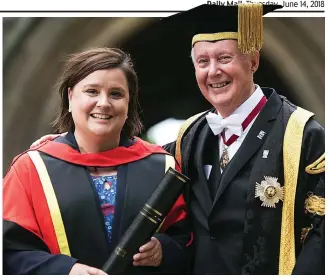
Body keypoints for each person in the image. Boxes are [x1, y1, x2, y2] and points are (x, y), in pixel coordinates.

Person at [29, 3, 325, 275]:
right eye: (202, 61)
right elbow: (129, 157)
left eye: (224, 58)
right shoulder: (191, 136)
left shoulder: (302, 134)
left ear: (253, 61)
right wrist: (65, 145)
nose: (213, 71)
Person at [3, 47, 192, 275]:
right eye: (92, 91)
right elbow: (9, 251)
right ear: (71, 98)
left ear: (129, 102)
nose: (103, 103)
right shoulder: (31, 168)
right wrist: (65, 270)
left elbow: (191, 241)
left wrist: (164, 249)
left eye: (116, 94)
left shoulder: (162, 167)